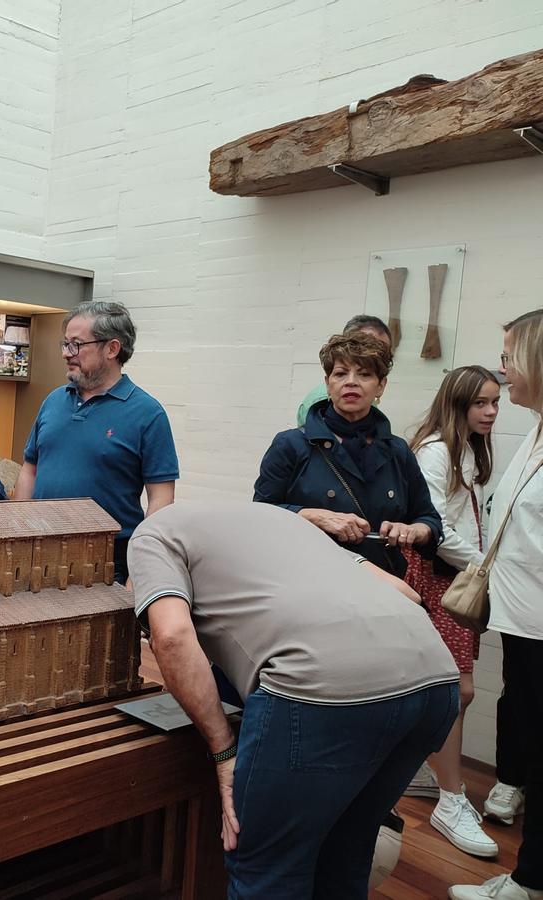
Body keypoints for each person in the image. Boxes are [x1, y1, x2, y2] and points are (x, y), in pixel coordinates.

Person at [129, 501, 459, 899]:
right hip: (436, 678)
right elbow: (404, 592)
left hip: (320, 693)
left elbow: (171, 636)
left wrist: (222, 753)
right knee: (347, 852)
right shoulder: (286, 522)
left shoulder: (152, 535)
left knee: (269, 871)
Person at [451, 309, 543, 900]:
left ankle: (529, 883)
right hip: (523, 619)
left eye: (510, 356)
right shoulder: (534, 428)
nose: (503, 369)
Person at [401, 366, 500, 857]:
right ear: (458, 404)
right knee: (455, 688)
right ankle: (449, 797)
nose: (490, 412)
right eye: (480, 403)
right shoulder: (437, 451)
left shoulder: (468, 453)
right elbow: (436, 523)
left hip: (457, 582)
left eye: (495, 403)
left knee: (452, 689)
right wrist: (484, 566)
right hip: (440, 580)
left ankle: (425, 769)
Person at [16, 300, 178, 584]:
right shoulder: (53, 402)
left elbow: (161, 499)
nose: (67, 354)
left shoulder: (148, 414)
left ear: (112, 349)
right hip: (38, 555)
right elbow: (30, 469)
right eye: (65, 344)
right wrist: (14, 534)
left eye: (76, 345)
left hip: (106, 564)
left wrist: (141, 571)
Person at [254, 331, 441, 577]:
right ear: (328, 382)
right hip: (307, 578)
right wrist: (313, 515)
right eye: (341, 373)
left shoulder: (397, 451)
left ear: (381, 386)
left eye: (364, 374)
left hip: (381, 582)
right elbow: (259, 515)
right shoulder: (292, 444)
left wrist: (413, 531)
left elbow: (429, 519)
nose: (351, 382)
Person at [297, 314, 394, 427]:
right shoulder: (323, 401)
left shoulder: (366, 399)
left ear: (381, 385)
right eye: (365, 345)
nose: (376, 354)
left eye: (384, 351)